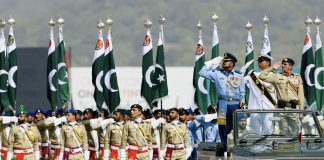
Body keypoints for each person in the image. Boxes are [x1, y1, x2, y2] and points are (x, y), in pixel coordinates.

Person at [199, 52, 245, 152]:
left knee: (237, 127)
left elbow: (242, 91)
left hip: (235, 105)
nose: (224, 63)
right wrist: (210, 62)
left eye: (227, 61)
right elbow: (201, 72)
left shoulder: (239, 75)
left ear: (232, 63)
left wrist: (243, 102)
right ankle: (225, 149)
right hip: (222, 105)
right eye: (223, 61)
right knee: (222, 126)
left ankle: (236, 147)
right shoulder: (217, 73)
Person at [258, 58, 304, 136]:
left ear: (291, 66)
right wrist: (272, 68)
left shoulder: (297, 77)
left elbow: (301, 95)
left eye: (285, 64)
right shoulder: (277, 77)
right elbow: (261, 76)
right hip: (281, 109)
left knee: (294, 131)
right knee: (283, 131)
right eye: (282, 64)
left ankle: (294, 147)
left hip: (293, 108)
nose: (282, 65)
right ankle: (284, 147)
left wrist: (301, 110)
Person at [245, 54, 277, 135]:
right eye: (258, 62)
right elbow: (239, 82)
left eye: (260, 61)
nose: (259, 63)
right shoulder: (253, 75)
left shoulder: (274, 76)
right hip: (255, 108)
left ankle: (268, 147)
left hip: (269, 107)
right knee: (255, 132)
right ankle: (256, 147)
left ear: (267, 63)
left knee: (268, 131)